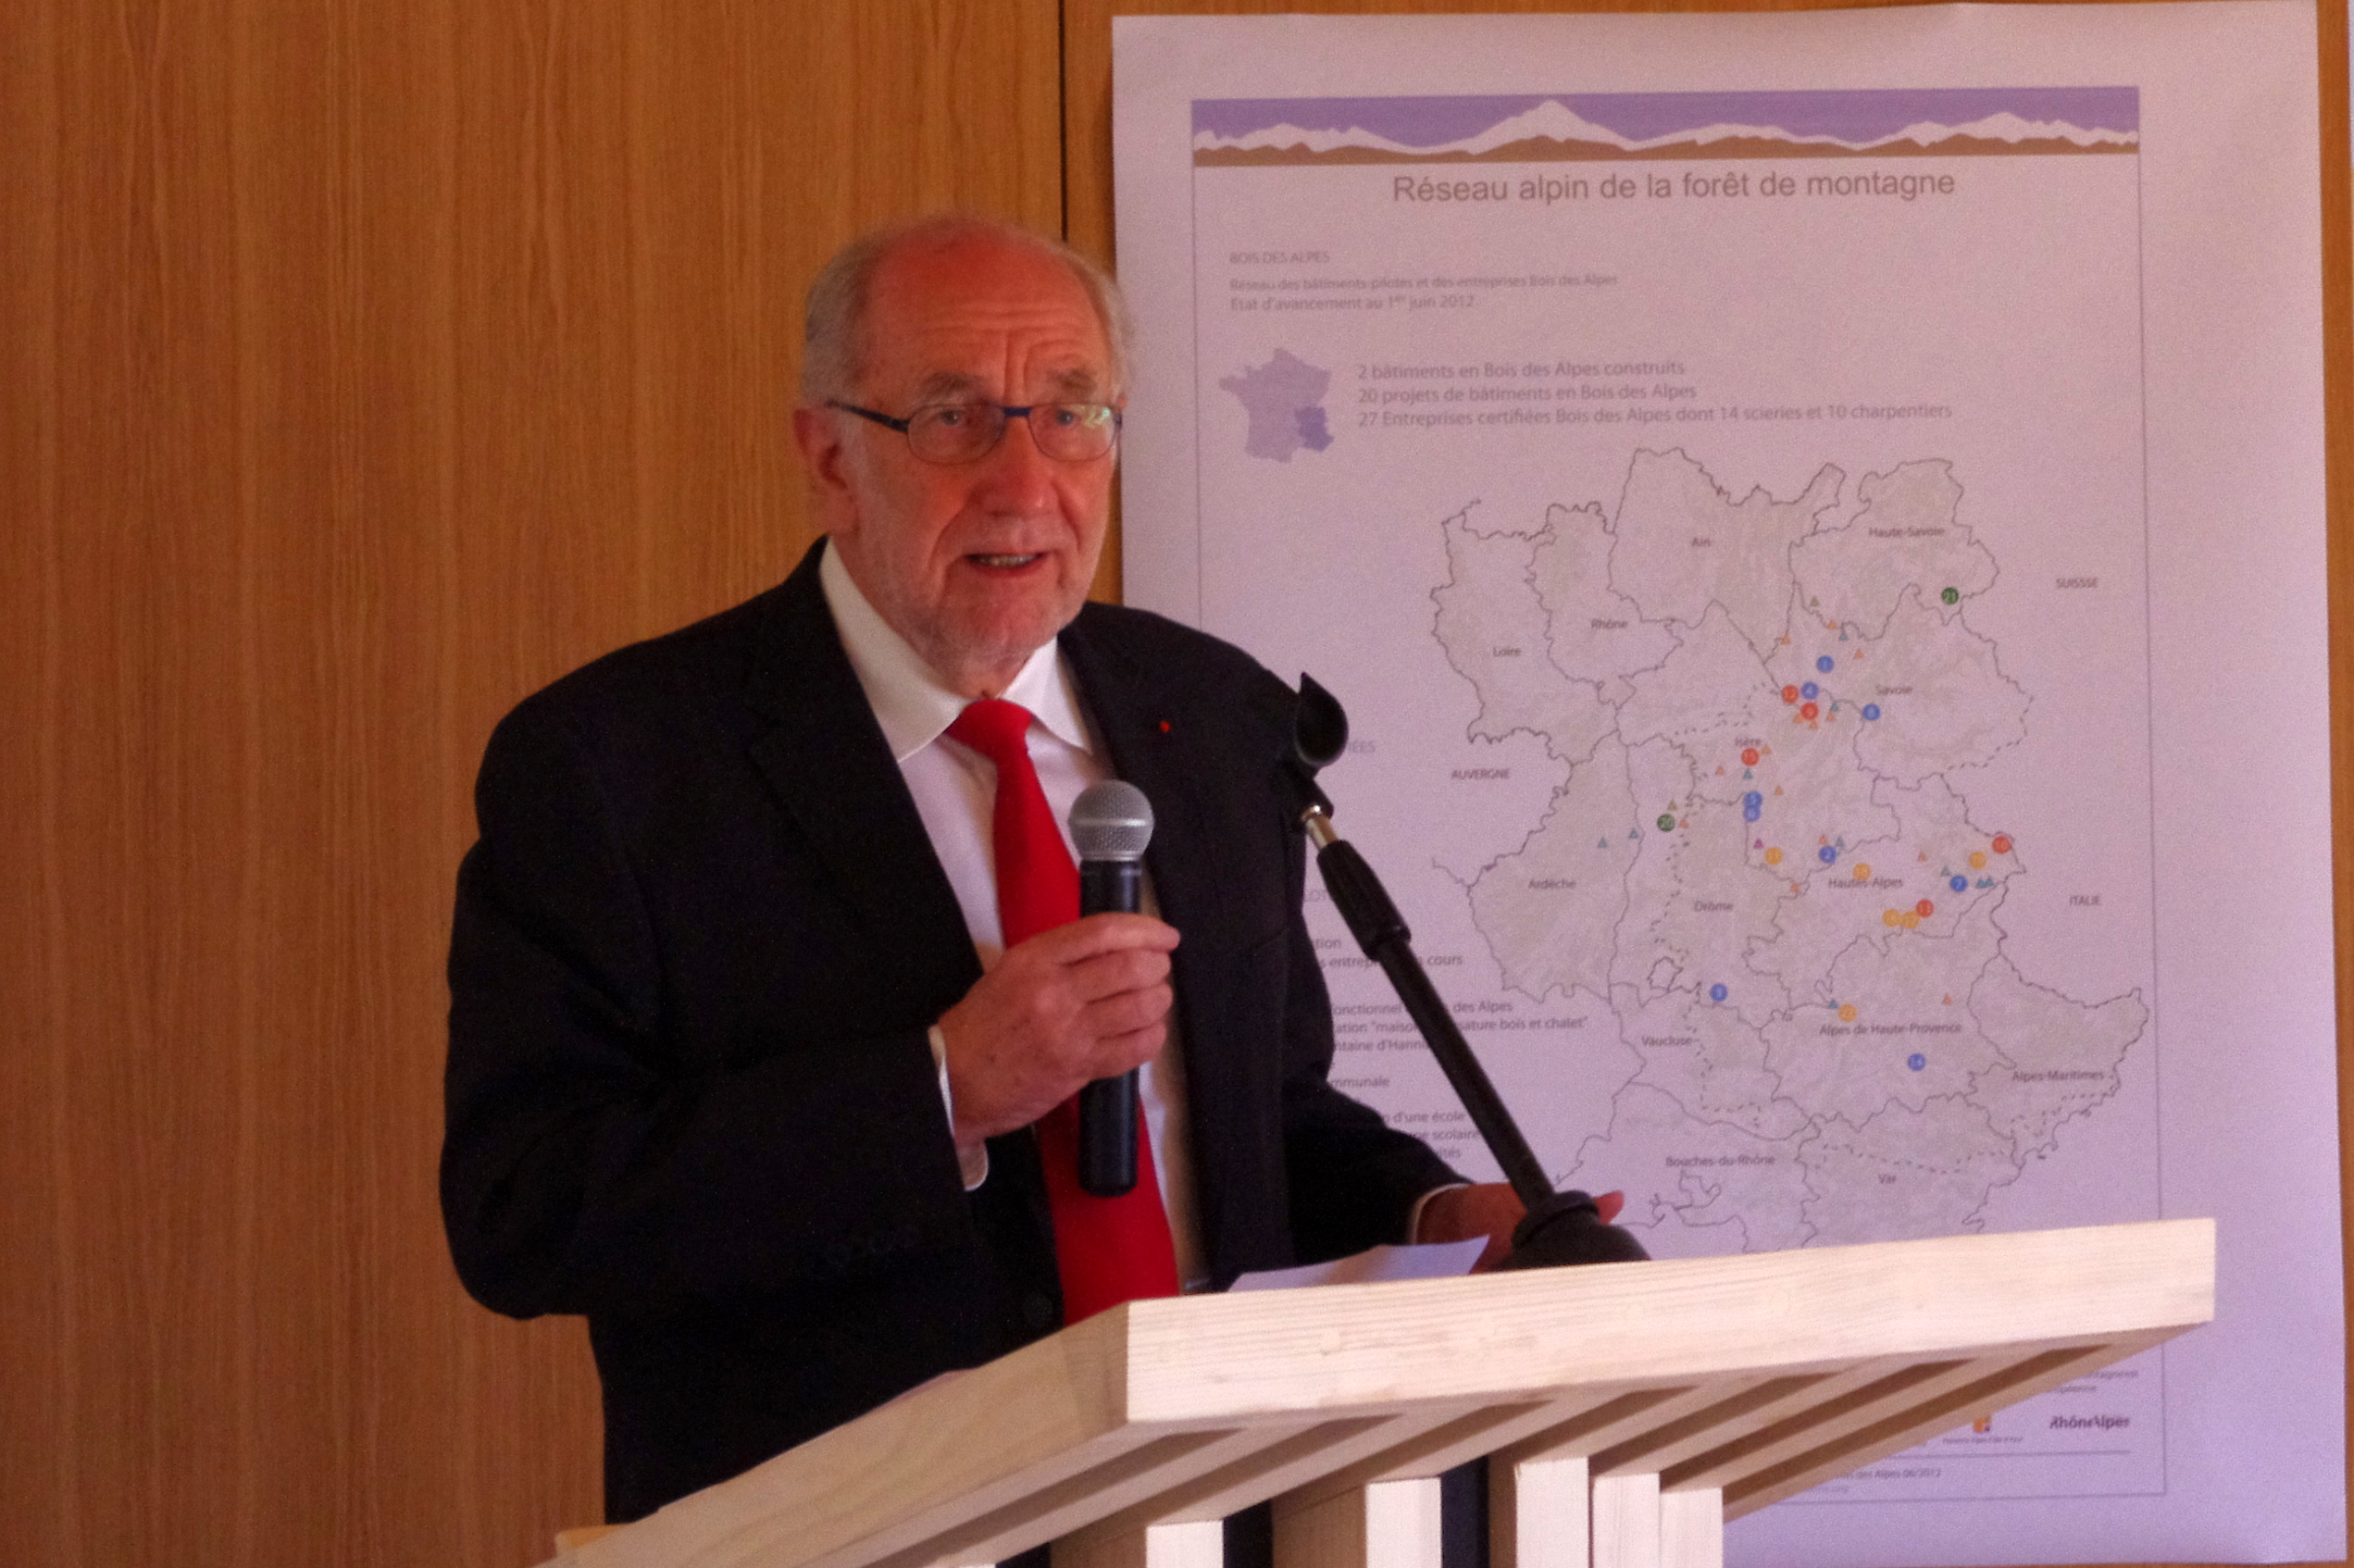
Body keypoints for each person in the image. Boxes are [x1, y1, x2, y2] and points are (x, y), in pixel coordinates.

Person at [440, 214, 1535, 1524]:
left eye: (1071, 417)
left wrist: (1430, 1214)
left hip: (1223, 1516)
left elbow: (1260, 1116)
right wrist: (946, 1090)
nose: (1025, 484)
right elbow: (527, 1210)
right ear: (831, 456)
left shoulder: (1215, 715)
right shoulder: (617, 764)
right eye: (954, 418)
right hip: (849, 1537)